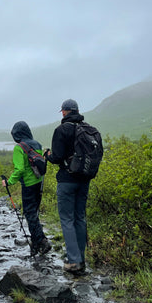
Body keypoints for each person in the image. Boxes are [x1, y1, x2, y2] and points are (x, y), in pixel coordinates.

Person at [44, 99, 90, 275]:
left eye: (62, 111)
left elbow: (57, 157)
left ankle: (73, 261)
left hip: (66, 180)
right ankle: (81, 259)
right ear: (77, 110)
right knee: (80, 218)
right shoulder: (88, 129)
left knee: (67, 220)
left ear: (64, 112)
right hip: (84, 180)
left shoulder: (61, 130)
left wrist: (48, 155)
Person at [1, 121, 51, 256]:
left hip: (28, 185)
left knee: (29, 214)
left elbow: (20, 169)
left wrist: (9, 182)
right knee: (33, 213)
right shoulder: (37, 144)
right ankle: (35, 246)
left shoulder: (19, 148)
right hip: (38, 183)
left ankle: (42, 241)